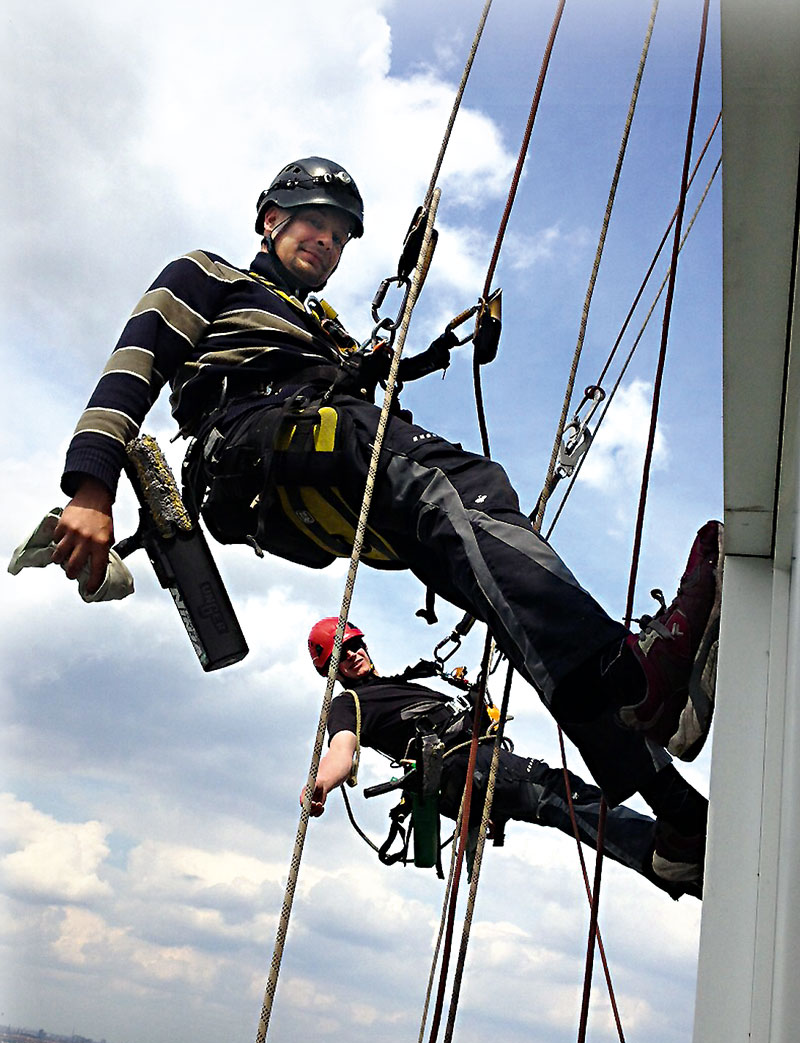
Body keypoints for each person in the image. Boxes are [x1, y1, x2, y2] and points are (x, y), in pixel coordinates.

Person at [51, 155, 721, 879]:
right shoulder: (209, 275)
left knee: (512, 602)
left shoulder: (323, 325)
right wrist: (92, 485)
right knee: (460, 480)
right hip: (256, 440)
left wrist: (386, 360)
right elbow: (134, 362)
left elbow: (351, 383)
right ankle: (635, 678)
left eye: (341, 236)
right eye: (314, 222)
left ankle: (674, 813)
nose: (327, 242)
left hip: (325, 462)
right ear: (271, 218)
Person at [304, 617, 703, 897]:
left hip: (474, 766)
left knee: (559, 798)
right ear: (330, 668)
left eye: (356, 644)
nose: (355, 653)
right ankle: (665, 856)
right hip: (469, 765)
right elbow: (342, 747)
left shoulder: (399, 684)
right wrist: (322, 781)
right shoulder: (348, 702)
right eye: (343, 652)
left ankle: (671, 860)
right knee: (557, 795)